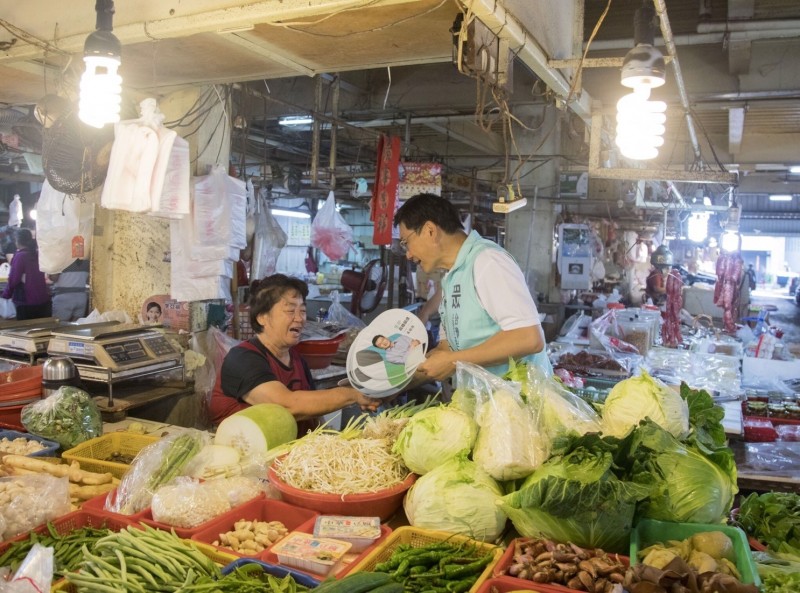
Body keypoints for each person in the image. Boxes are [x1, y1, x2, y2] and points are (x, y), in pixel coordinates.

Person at [393, 193, 550, 381]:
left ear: (430, 231)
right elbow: (447, 349)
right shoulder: (453, 277)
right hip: (486, 405)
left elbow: (529, 338)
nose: (408, 254)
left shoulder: (487, 261)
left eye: (406, 242)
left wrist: (452, 361)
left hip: (520, 402)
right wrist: (393, 385)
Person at [209, 273, 381, 429]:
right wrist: (352, 395)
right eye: (290, 310)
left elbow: (312, 415)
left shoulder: (297, 360)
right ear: (262, 317)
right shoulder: (243, 359)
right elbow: (284, 406)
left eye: (303, 311)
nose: (299, 318)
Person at [1, 228, 51, 320]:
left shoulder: (20, 256)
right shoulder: (37, 254)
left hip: (26, 301)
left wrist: (6, 294)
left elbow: (14, 279)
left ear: (17, 241)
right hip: (43, 299)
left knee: (25, 330)